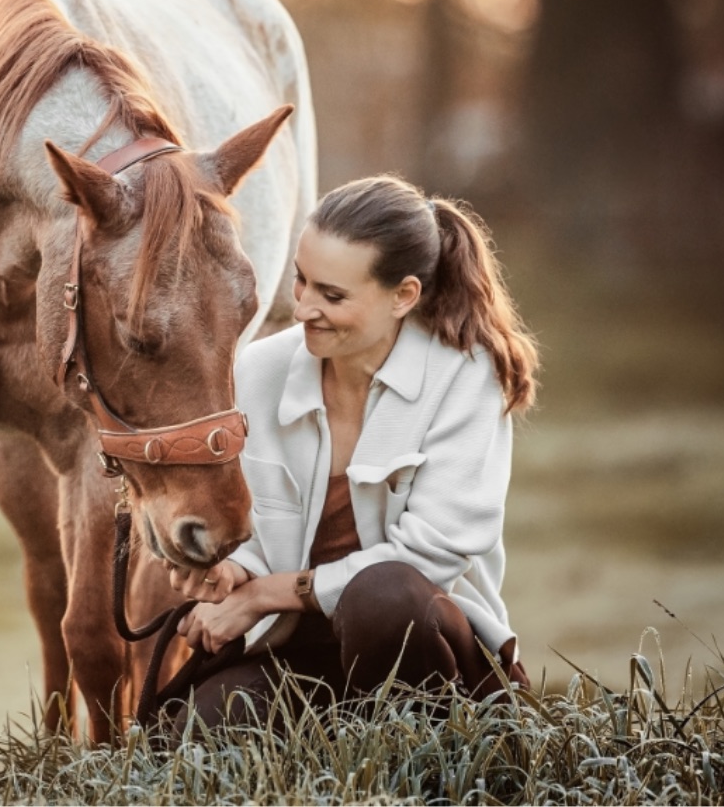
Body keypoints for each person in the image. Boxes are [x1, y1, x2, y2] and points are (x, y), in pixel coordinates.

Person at [161, 175, 539, 725]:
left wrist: (269, 593)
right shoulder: (259, 371)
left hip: (431, 649)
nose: (302, 310)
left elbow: (434, 552)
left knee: (383, 598)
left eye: (332, 295)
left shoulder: (466, 375)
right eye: (301, 282)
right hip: (293, 651)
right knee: (200, 730)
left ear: (403, 296)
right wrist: (231, 572)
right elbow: (260, 529)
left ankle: (428, 757)